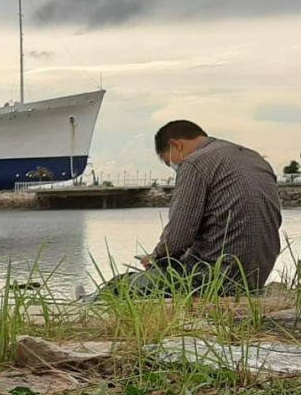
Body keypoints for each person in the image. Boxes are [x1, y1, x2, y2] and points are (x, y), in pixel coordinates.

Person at [109, 120, 281, 296]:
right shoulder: (256, 160)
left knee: (118, 285)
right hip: (254, 278)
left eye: (169, 162)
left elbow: (178, 236)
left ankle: (85, 304)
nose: (174, 168)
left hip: (213, 279)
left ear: (176, 145)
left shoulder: (194, 163)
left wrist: (155, 258)